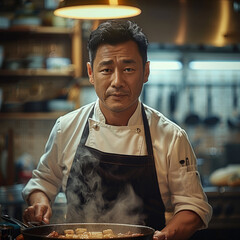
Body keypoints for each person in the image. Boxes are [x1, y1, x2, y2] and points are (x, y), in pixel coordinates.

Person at [22, 20, 212, 240]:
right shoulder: (66, 128)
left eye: (128, 69)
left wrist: (166, 235)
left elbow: (194, 207)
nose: (117, 81)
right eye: (106, 69)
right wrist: (39, 204)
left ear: (146, 71)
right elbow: (43, 183)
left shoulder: (171, 137)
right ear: (91, 73)